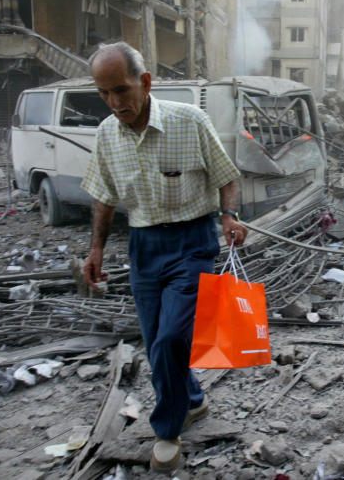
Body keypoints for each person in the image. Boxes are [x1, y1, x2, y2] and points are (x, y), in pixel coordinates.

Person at [81, 42, 247, 473]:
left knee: (172, 338)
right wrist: (96, 249)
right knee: (157, 342)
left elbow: (227, 177)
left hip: (192, 242)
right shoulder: (106, 134)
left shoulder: (189, 121)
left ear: (145, 82)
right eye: (104, 93)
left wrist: (229, 216)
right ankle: (192, 399)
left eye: (121, 90)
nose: (114, 102)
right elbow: (103, 197)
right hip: (143, 246)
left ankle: (167, 431)